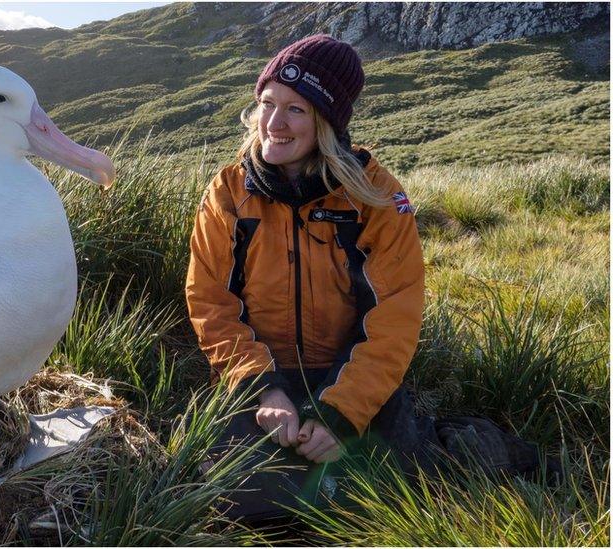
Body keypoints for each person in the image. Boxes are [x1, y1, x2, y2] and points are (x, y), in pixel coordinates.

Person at [185, 35, 557, 523]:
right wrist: (261, 387)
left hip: (351, 379)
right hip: (263, 382)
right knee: (244, 509)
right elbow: (211, 301)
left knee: (400, 496)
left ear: (328, 121)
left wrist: (341, 414)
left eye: (296, 110)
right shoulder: (229, 192)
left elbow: (394, 319)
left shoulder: (376, 197)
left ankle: (468, 444)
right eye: (267, 104)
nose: (273, 124)